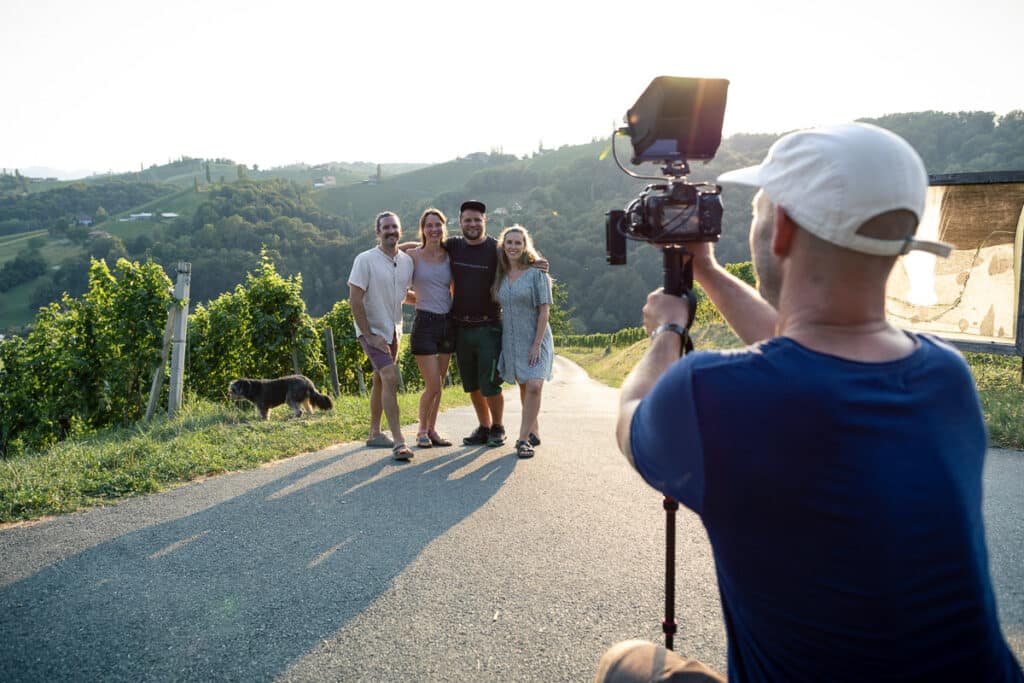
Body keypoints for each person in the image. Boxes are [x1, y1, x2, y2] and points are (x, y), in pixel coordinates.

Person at [599, 123, 1023, 682]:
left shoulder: (713, 392)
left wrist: (667, 331)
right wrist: (708, 271)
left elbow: (631, 416)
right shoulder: (945, 375)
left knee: (626, 662)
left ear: (783, 228)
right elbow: (810, 347)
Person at [348, 210, 415, 461]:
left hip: (394, 330)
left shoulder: (406, 262)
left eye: (394, 227)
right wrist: (369, 335)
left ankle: (374, 433)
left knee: (379, 379)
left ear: (400, 230)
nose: (391, 231)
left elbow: (402, 294)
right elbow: (355, 300)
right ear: (377, 232)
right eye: (385, 227)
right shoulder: (365, 260)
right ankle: (399, 442)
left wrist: (431, 301)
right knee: (390, 376)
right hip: (372, 330)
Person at [492, 225, 553, 458]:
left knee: (534, 385)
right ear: (503, 245)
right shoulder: (500, 274)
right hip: (511, 340)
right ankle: (533, 430)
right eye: (509, 242)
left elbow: (544, 311)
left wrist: (536, 344)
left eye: (518, 242)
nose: (513, 246)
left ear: (525, 246)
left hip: (536, 338)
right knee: (525, 386)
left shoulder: (537, 274)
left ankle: (523, 440)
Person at [406, 208, 455, 449]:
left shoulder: (450, 255)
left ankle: (432, 429)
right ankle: (421, 431)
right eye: (429, 225)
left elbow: (453, 288)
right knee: (432, 385)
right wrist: (422, 300)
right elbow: (400, 290)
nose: (434, 229)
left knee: (440, 383)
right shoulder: (412, 256)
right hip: (424, 324)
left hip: (448, 323)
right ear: (423, 229)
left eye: (438, 224)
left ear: (444, 227)